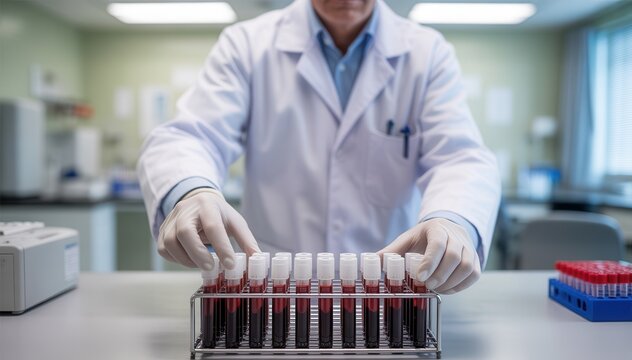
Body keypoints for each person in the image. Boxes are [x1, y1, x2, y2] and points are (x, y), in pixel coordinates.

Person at [138, 0, 501, 294]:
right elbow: (190, 135)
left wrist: (454, 219)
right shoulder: (247, 44)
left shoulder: (427, 53)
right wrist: (191, 191)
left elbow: (460, 157)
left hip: (386, 292)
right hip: (275, 288)